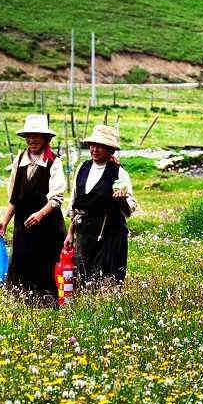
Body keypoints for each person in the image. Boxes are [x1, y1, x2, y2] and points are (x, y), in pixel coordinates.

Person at [0, 114, 67, 299]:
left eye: (36, 136)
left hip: (47, 225)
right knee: (22, 264)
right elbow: (14, 198)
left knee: (46, 266)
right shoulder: (19, 160)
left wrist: (40, 215)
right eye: (29, 136)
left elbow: (56, 198)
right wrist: (4, 221)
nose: (32, 140)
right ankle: (23, 300)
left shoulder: (53, 161)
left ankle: (48, 302)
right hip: (23, 225)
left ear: (45, 138)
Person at [64, 123, 138, 288]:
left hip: (110, 236)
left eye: (100, 146)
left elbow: (129, 208)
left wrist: (121, 200)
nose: (94, 149)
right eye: (92, 145)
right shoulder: (82, 169)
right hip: (85, 235)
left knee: (108, 282)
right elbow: (76, 203)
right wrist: (70, 233)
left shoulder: (119, 173)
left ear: (110, 150)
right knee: (83, 280)